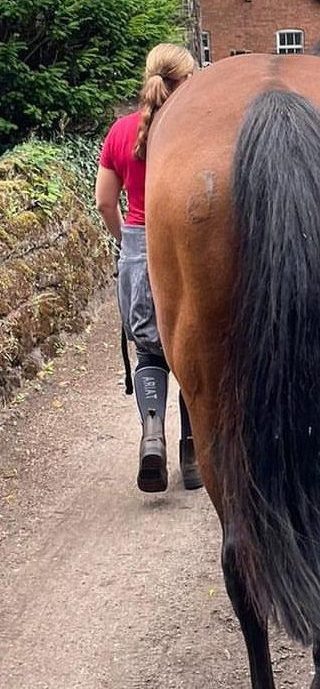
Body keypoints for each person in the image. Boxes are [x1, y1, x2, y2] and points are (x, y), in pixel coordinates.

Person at [95, 43, 202, 493]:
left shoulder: (120, 132)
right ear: (183, 82)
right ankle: (193, 454)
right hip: (186, 249)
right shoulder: (194, 132)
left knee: (150, 352)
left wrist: (129, 243)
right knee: (194, 352)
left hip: (139, 248)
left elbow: (104, 202)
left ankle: (152, 435)